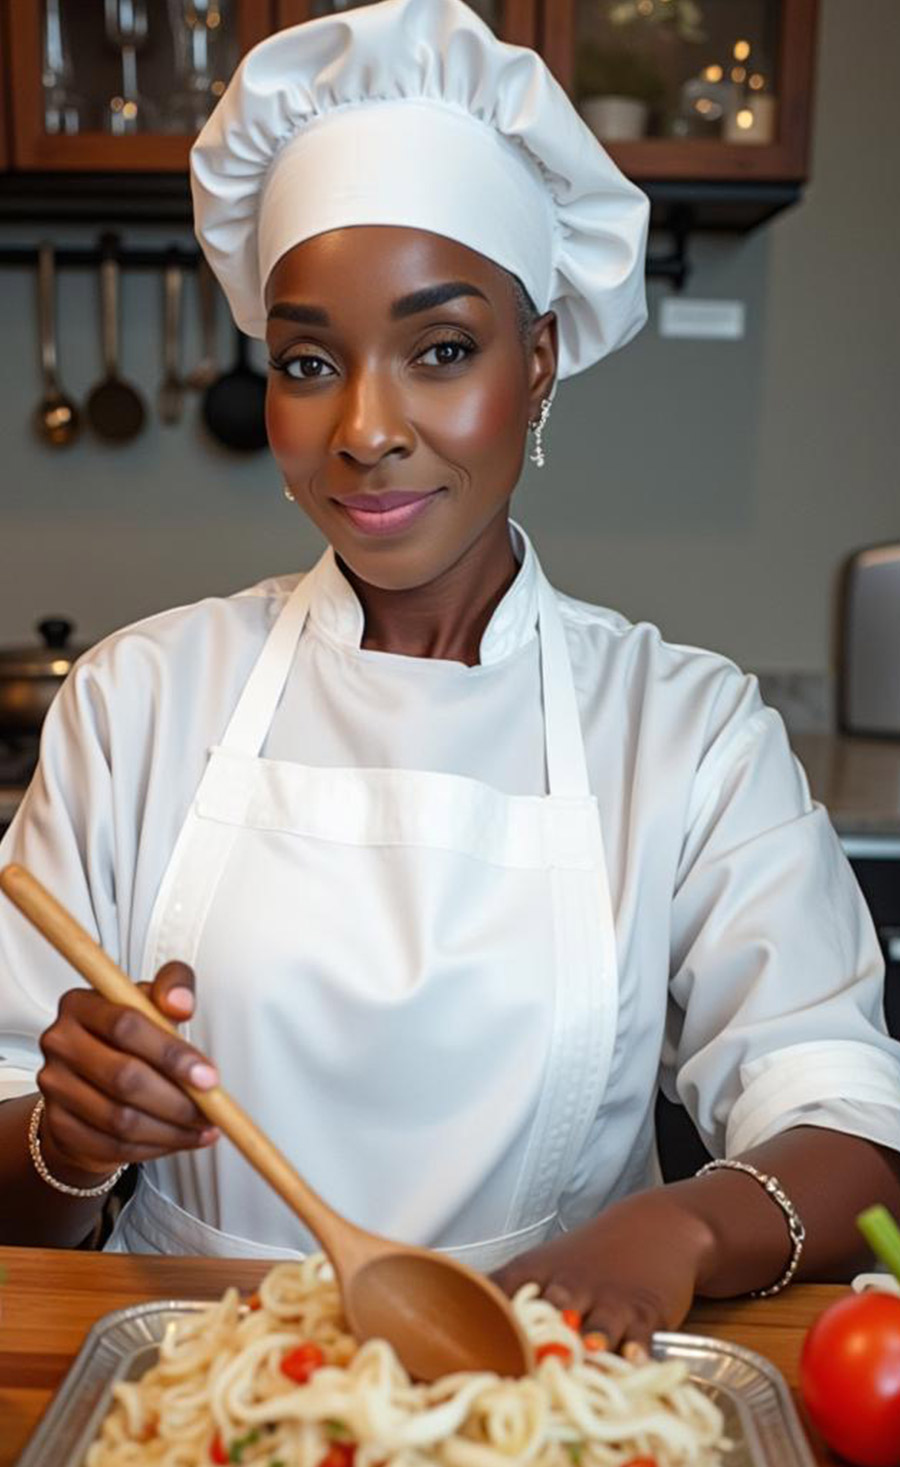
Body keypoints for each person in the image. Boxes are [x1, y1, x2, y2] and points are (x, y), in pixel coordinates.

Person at [1, 0, 899, 1358]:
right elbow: (13, 1150)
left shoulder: (683, 726)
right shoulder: (139, 699)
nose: (365, 431)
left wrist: (684, 1227)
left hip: (542, 1386)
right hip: (174, 1388)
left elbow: (846, 1122)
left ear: (539, 363)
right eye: (310, 363)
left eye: (441, 350)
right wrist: (71, 1142)